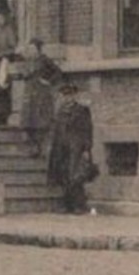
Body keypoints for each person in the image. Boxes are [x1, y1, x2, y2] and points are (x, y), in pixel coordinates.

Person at [47, 81, 95, 213]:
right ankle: (66, 205)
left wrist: (86, 149)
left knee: (76, 176)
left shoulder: (82, 110)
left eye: (70, 95)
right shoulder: (60, 112)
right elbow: (56, 130)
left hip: (76, 146)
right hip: (61, 147)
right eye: (65, 95)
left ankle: (79, 205)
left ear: (75, 96)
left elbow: (88, 130)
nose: (68, 97)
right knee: (63, 175)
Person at [17, 37, 62, 156]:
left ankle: (40, 148)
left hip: (41, 93)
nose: (31, 50)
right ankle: (33, 147)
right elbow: (22, 74)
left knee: (40, 120)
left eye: (33, 48)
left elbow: (58, 72)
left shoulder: (44, 60)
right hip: (29, 92)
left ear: (38, 49)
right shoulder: (27, 61)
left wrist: (49, 81)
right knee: (28, 120)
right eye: (29, 48)